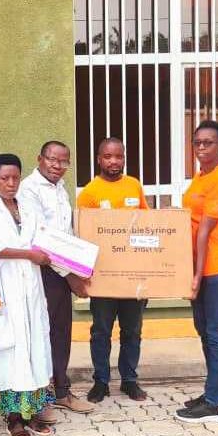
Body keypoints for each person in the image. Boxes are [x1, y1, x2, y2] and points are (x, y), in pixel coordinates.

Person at [0, 154, 55, 436]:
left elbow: (42, 237)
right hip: (8, 286)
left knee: (35, 346)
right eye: (4, 178)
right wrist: (28, 255)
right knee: (12, 351)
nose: (11, 184)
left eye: (15, 178)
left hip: (32, 285)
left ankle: (32, 413)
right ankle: (13, 418)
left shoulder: (28, 205)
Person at [18, 141, 93, 417]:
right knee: (42, 333)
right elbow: (42, 238)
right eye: (52, 160)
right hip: (43, 271)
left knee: (61, 332)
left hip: (63, 270)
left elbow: (67, 233)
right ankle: (42, 397)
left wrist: (80, 269)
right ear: (39, 159)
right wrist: (71, 275)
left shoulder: (60, 189)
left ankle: (61, 391)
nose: (57, 166)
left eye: (63, 162)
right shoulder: (29, 190)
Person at [176, 120, 218, 423]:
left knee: (216, 334)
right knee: (204, 331)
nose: (201, 148)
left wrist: (197, 276)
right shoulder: (200, 179)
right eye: (197, 142)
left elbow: (204, 231)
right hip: (200, 268)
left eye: (208, 143)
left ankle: (214, 403)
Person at [76, 137, 149, 404]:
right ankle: (101, 382)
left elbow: (146, 224)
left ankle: (129, 380)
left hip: (133, 276)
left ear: (125, 158)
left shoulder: (134, 186)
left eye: (118, 156)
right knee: (101, 332)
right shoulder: (90, 193)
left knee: (132, 331)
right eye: (108, 156)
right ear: (99, 159)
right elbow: (83, 235)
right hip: (103, 276)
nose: (114, 161)